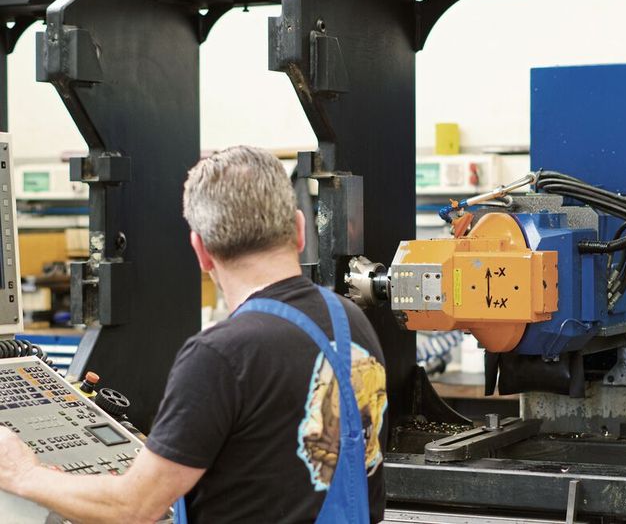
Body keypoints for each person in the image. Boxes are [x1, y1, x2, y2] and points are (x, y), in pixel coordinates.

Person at [0, 146, 388, 523]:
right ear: (300, 231)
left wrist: (24, 473)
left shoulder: (221, 355)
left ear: (200, 250)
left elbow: (134, 508)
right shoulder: (350, 321)